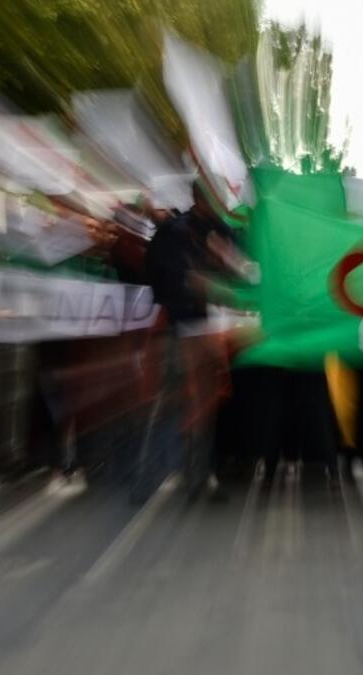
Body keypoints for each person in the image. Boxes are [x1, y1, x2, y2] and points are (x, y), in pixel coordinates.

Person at [131, 182, 235, 505]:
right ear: (201, 199)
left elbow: (238, 271)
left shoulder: (217, 232)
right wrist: (181, 293)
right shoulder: (175, 232)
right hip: (181, 328)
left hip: (200, 328)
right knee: (169, 406)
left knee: (201, 409)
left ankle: (197, 479)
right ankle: (150, 479)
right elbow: (157, 273)